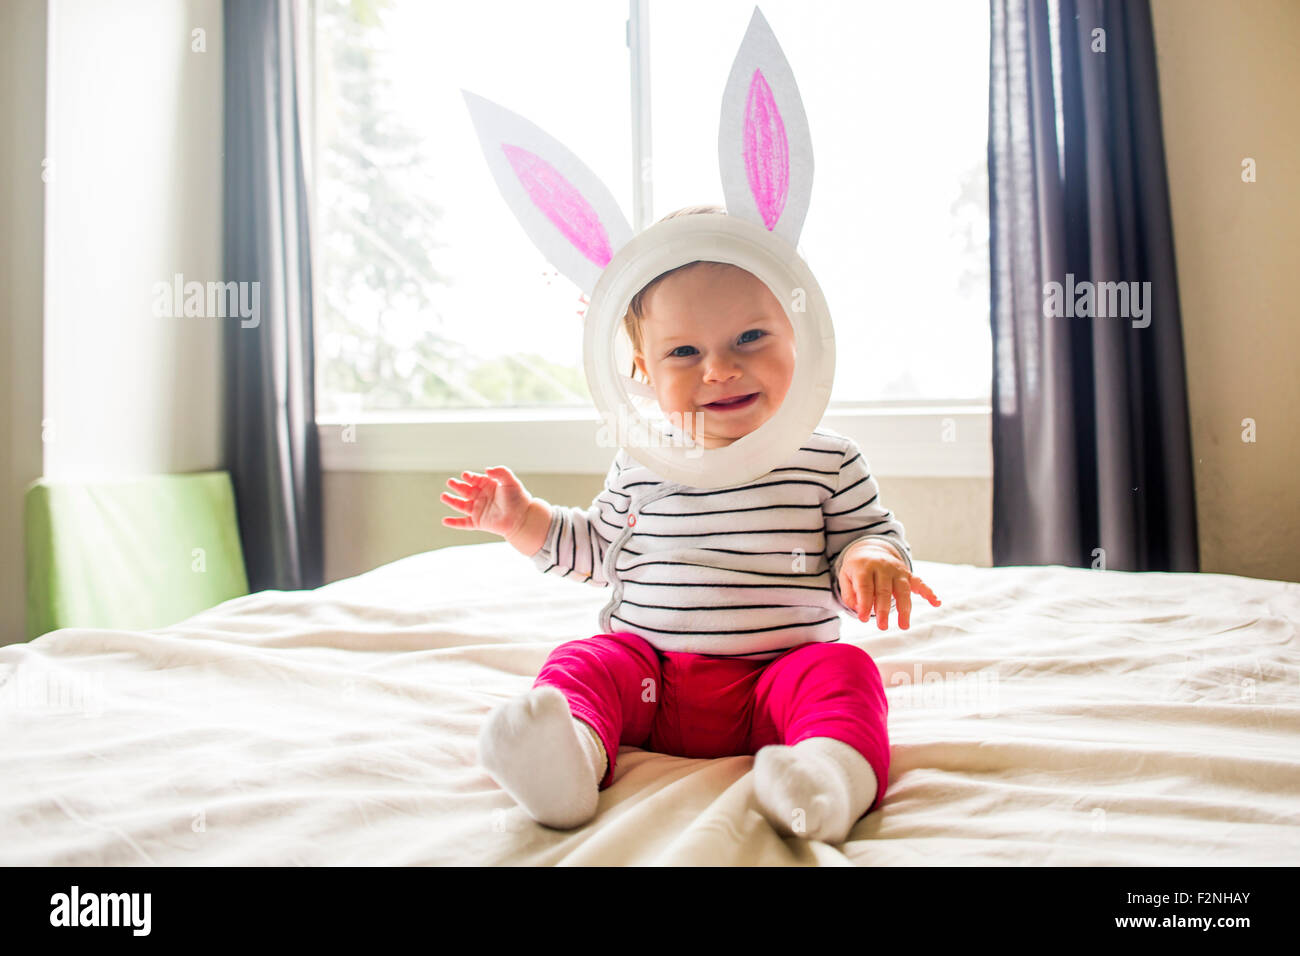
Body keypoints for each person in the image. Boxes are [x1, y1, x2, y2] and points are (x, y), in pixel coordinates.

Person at [441, 208, 941, 843]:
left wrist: (871, 558)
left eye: (751, 338)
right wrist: (523, 520)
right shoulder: (643, 463)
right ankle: (569, 758)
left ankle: (827, 777)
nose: (719, 370)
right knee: (586, 660)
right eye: (684, 351)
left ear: (799, 334)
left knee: (845, 674)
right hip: (653, 683)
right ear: (644, 373)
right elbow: (598, 552)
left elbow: (867, 534)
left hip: (777, 681)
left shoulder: (828, 458)